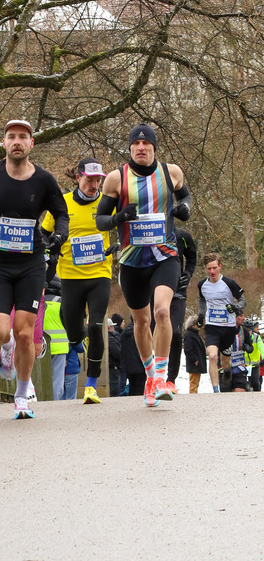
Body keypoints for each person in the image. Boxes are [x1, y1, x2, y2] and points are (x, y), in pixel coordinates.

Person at [0, 118, 68, 419]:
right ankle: (5, 348)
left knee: (24, 332)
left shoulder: (43, 180)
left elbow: (61, 213)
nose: (17, 141)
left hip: (31, 264)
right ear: (3, 143)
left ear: (31, 144)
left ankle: (22, 394)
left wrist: (59, 236)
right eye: (11, 136)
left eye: (23, 137)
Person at [96, 122, 192, 407]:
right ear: (129, 148)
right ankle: (150, 377)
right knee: (141, 321)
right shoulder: (115, 179)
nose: (141, 148)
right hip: (132, 260)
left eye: (146, 144)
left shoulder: (170, 172)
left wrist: (184, 207)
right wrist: (118, 218)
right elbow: (99, 220)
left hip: (165, 255)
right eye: (135, 145)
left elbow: (184, 195)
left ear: (153, 148)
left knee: (162, 311)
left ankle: (161, 377)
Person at [41, 157, 115, 405]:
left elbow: (123, 226)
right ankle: (76, 337)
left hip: (100, 273)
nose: (94, 185)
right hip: (70, 275)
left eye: (98, 180)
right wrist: (52, 246)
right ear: (78, 177)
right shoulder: (62, 203)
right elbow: (44, 231)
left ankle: (91, 386)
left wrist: (119, 245)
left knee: (96, 326)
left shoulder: (106, 203)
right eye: (89, 180)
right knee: (72, 326)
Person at [196, 253, 246, 393]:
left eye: (214, 268)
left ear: (220, 266)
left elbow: (243, 300)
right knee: (212, 356)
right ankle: (216, 391)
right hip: (212, 326)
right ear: (205, 269)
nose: (212, 272)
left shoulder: (229, 283)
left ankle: (227, 370)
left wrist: (236, 307)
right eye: (208, 268)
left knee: (225, 362)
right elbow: (201, 300)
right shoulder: (202, 284)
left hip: (228, 327)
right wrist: (201, 315)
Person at [161, 227, 197, 394]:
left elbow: (192, 260)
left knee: (175, 334)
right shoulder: (148, 230)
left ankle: (170, 380)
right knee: (156, 333)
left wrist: (188, 275)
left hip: (177, 294)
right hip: (155, 293)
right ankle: (155, 377)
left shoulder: (182, 235)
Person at [43, 276, 68, 400]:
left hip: (40, 345)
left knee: (41, 377)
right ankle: (55, 403)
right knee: (57, 379)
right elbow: (68, 323)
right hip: (60, 346)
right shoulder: (61, 302)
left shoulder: (38, 301)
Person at [120, 316, 145, 396]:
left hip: (128, 366)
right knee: (140, 390)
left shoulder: (123, 333)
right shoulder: (140, 332)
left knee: (132, 388)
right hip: (140, 367)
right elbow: (142, 351)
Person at [228, 313, 253, 392]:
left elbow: (250, 346)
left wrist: (248, 348)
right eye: (241, 316)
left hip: (239, 365)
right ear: (234, 317)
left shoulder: (243, 330)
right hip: (225, 366)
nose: (244, 318)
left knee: (240, 391)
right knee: (226, 395)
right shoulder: (224, 329)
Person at [183, 315, 207, 393]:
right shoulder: (189, 334)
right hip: (194, 363)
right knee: (193, 383)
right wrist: (194, 360)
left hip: (197, 362)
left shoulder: (195, 334)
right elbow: (188, 350)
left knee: (196, 383)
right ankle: (193, 397)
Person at [246, 320, 264, 392]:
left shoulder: (256, 337)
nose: (248, 332)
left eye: (249, 330)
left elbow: (262, 347)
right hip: (243, 366)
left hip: (255, 366)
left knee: (256, 384)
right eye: (246, 330)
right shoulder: (240, 338)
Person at [107, 317, 122, 396]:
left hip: (112, 367)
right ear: (109, 327)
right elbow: (117, 352)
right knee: (115, 390)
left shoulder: (109, 337)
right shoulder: (111, 339)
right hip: (114, 367)